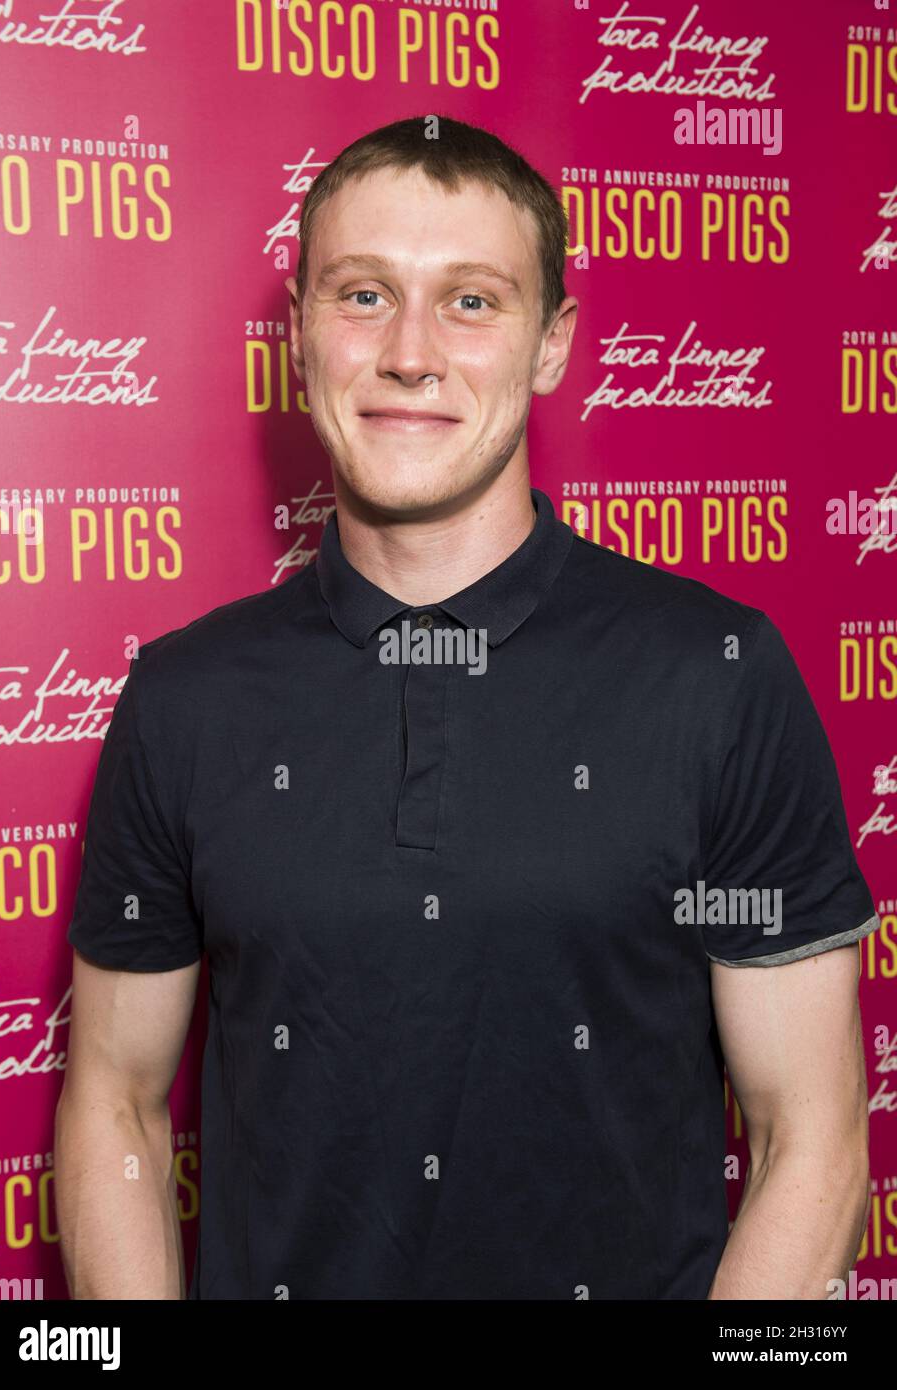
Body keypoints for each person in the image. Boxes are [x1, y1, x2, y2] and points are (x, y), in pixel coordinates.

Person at [55, 115, 878, 1301]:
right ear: (299, 335)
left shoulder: (720, 673)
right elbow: (116, 1106)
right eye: (362, 294)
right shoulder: (183, 696)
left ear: (552, 344)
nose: (410, 352)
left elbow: (814, 1143)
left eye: (473, 302)